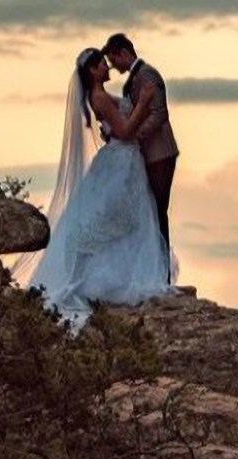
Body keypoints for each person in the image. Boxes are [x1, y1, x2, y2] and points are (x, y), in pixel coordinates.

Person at [16, 48, 173, 327]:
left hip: (122, 159)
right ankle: (110, 281)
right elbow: (125, 132)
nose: (107, 66)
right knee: (117, 216)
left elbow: (114, 128)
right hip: (122, 159)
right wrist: (143, 103)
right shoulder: (99, 96)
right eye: (102, 63)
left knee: (126, 218)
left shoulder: (97, 96)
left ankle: (116, 276)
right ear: (92, 70)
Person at [103, 33, 179, 278]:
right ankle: (155, 271)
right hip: (150, 153)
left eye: (114, 60)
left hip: (159, 153)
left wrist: (134, 136)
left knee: (157, 211)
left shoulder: (146, 75)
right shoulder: (136, 77)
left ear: (124, 53)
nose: (113, 67)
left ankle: (162, 273)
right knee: (150, 212)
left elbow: (159, 114)